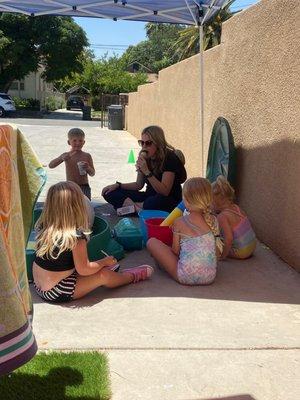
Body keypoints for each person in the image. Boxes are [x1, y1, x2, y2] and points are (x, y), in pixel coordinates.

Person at [32, 181, 153, 303]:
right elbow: (84, 269)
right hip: (57, 290)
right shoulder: (76, 236)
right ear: (78, 207)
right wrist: (104, 262)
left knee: (94, 269)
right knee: (104, 275)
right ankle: (130, 277)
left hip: (39, 285)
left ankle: (116, 274)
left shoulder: (44, 227)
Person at [147, 178, 223, 285]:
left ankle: (161, 263)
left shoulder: (179, 222)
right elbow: (216, 251)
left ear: (186, 200)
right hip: (210, 276)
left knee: (152, 242)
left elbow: (175, 251)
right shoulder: (213, 220)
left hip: (185, 276)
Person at [101, 125, 187, 213]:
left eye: (148, 143)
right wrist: (118, 185)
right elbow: (139, 185)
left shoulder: (169, 158)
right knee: (109, 192)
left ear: (158, 143)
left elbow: (164, 192)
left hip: (167, 199)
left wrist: (147, 171)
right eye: (142, 142)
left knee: (155, 201)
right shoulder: (145, 157)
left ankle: (132, 208)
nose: (144, 146)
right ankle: (137, 208)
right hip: (148, 196)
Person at [212, 175, 256, 259]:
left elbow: (229, 239)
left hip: (242, 252)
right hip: (252, 245)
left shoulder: (222, 217)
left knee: (213, 245)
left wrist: (222, 256)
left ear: (216, 202)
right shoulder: (236, 207)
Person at [48, 128, 95, 200]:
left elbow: (92, 173)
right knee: (70, 206)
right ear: (69, 142)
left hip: (84, 186)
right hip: (70, 186)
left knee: (85, 206)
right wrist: (61, 158)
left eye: (80, 140)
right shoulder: (66, 155)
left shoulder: (87, 156)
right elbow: (51, 165)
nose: (78, 143)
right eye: (74, 140)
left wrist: (87, 167)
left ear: (84, 142)